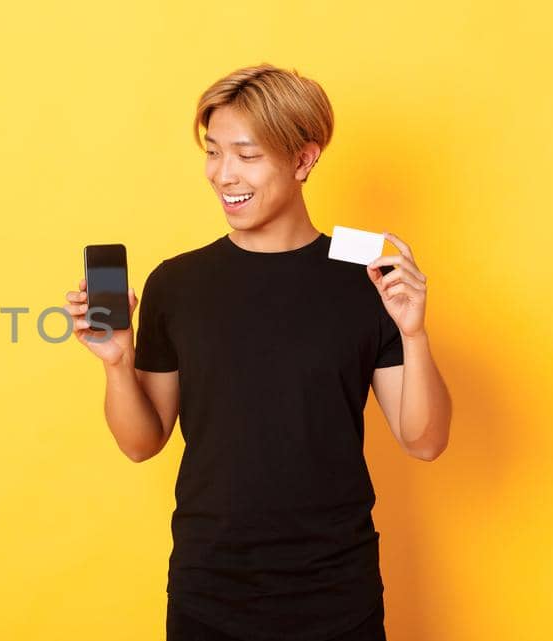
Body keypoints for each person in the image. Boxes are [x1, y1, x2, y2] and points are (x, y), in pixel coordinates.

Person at [63, 64, 453, 641]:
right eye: (213, 152)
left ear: (303, 160)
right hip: (209, 593)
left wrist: (414, 333)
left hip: (338, 595)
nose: (224, 175)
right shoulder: (177, 283)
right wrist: (117, 363)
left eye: (247, 155)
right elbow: (142, 443)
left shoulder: (365, 277)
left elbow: (424, 441)